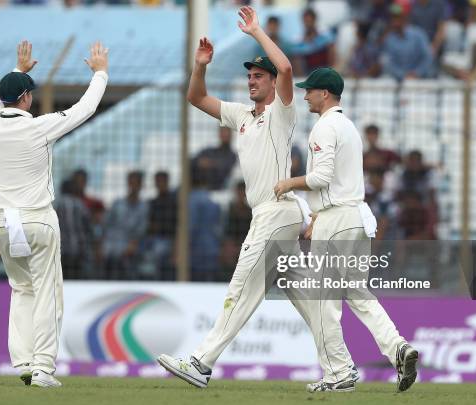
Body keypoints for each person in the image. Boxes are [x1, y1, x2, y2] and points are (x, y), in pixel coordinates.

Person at [157, 6, 315, 390]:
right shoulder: (241, 115)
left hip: (276, 213)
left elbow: (289, 70)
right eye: (249, 76)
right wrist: (200, 65)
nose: (251, 81)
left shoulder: (282, 111)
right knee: (311, 300)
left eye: (259, 76)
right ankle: (343, 366)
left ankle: (201, 362)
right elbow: (196, 98)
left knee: (241, 287)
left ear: (273, 83)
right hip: (269, 213)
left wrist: (257, 31)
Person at [273, 67, 418, 392]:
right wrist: (318, 220)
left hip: (337, 220)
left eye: (310, 90)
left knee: (322, 301)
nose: (305, 94)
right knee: (358, 294)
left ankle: (338, 374)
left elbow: (322, 178)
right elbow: (338, 182)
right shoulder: (349, 127)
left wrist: (288, 183)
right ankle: (398, 348)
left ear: (325, 94)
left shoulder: (323, 127)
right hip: (354, 218)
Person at [0, 40, 108, 388]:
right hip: (36, 220)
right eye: (28, 94)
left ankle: (21, 360)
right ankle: (43, 368)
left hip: (4, 224)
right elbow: (85, 109)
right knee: (47, 291)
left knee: (21, 288)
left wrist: (18, 71)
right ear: (25, 99)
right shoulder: (38, 127)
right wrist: (100, 73)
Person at [102, 170, 148, 279]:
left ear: (141, 185)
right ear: (128, 183)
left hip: (130, 248)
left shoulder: (144, 207)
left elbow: (141, 230)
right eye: (131, 183)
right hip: (110, 246)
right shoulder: (117, 203)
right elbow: (106, 224)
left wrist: (133, 244)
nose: (134, 186)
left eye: (137, 183)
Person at [382, 3, 434, 80]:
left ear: (405, 17)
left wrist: (417, 73)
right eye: (393, 17)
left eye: (398, 16)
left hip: (420, 79)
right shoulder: (389, 39)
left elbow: (427, 57)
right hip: (398, 80)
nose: (394, 20)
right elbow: (388, 63)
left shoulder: (418, 34)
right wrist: (404, 76)